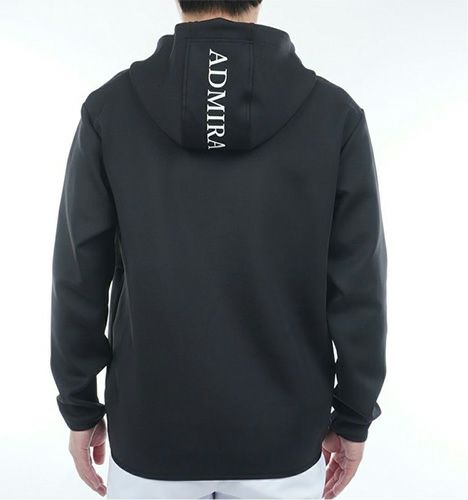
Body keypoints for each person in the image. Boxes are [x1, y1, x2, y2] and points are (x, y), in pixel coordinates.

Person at [50, 0, 387, 498]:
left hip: (150, 432)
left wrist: (80, 405)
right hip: (284, 437)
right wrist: (354, 415)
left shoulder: (110, 111)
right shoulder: (334, 117)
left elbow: (79, 273)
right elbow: (359, 285)